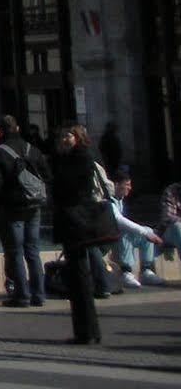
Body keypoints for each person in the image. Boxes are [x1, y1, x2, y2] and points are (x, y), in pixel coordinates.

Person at [49, 121, 118, 346]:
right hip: (73, 222)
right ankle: (88, 330)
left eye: (68, 136)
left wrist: (57, 184)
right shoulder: (69, 158)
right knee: (77, 277)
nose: (63, 140)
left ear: (77, 136)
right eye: (61, 137)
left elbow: (71, 188)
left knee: (79, 278)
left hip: (76, 222)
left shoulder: (81, 158)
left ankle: (86, 331)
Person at [0, 116, 48, 307]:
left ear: (1, 132)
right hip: (34, 204)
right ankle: (39, 294)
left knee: (15, 251)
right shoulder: (32, 149)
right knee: (33, 250)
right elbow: (46, 174)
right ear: (17, 128)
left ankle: (22, 295)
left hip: (13, 208)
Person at [105, 170, 161, 287]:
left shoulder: (120, 201)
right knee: (126, 232)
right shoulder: (107, 200)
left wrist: (146, 232)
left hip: (116, 237)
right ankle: (125, 271)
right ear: (116, 185)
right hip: (105, 238)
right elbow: (119, 221)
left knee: (149, 230)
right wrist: (143, 232)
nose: (130, 188)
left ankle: (146, 271)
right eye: (127, 184)